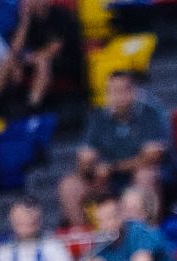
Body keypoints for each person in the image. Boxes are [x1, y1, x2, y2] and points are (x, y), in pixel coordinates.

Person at [68, 69, 169, 226]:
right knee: (70, 186)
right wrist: (90, 170)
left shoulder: (150, 113)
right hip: (107, 178)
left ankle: (146, 230)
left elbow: (152, 157)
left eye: (123, 90)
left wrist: (112, 168)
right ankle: (82, 233)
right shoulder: (98, 117)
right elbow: (85, 157)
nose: (118, 96)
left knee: (145, 175)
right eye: (113, 91)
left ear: (133, 91)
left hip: (138, 173)